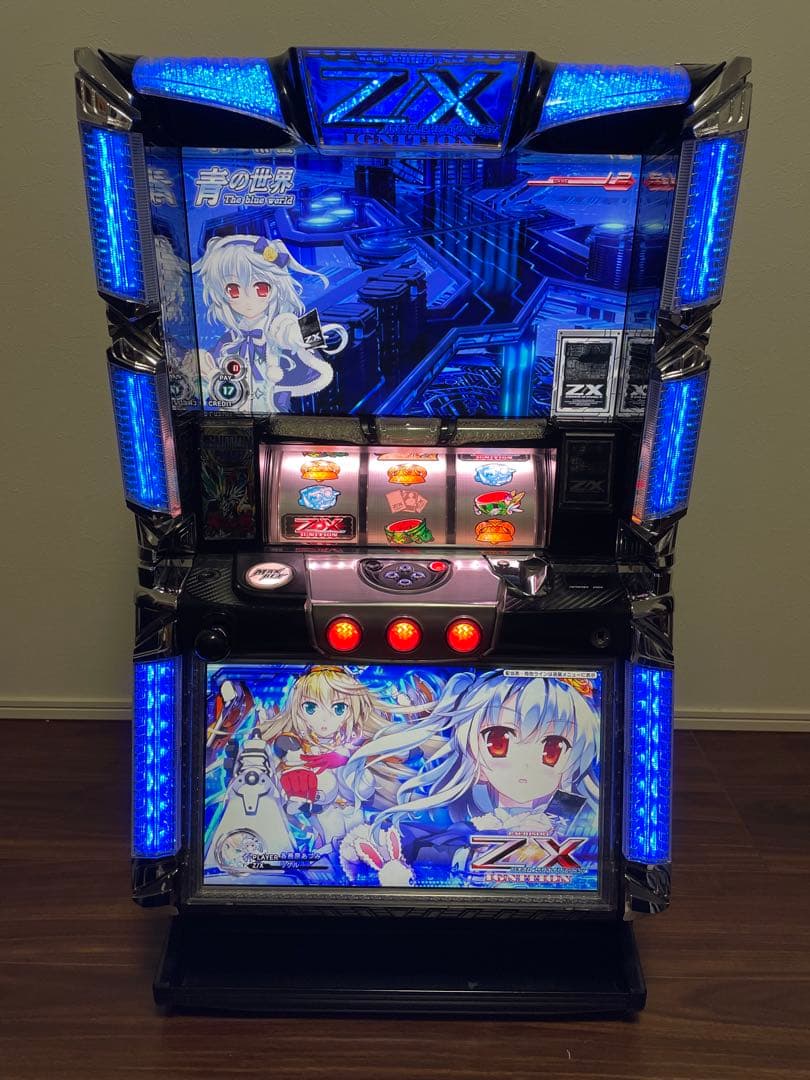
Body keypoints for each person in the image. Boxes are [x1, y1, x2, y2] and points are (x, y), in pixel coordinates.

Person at [192, 235, 347, 412]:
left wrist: (295, 333)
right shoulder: (229, 341)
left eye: (260, 289)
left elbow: (316, 342)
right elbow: (210, 386)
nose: (248, 300)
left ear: (277, 286)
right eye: (233, 290)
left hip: (278, 417)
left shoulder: (281, 328)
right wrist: (204, 366)